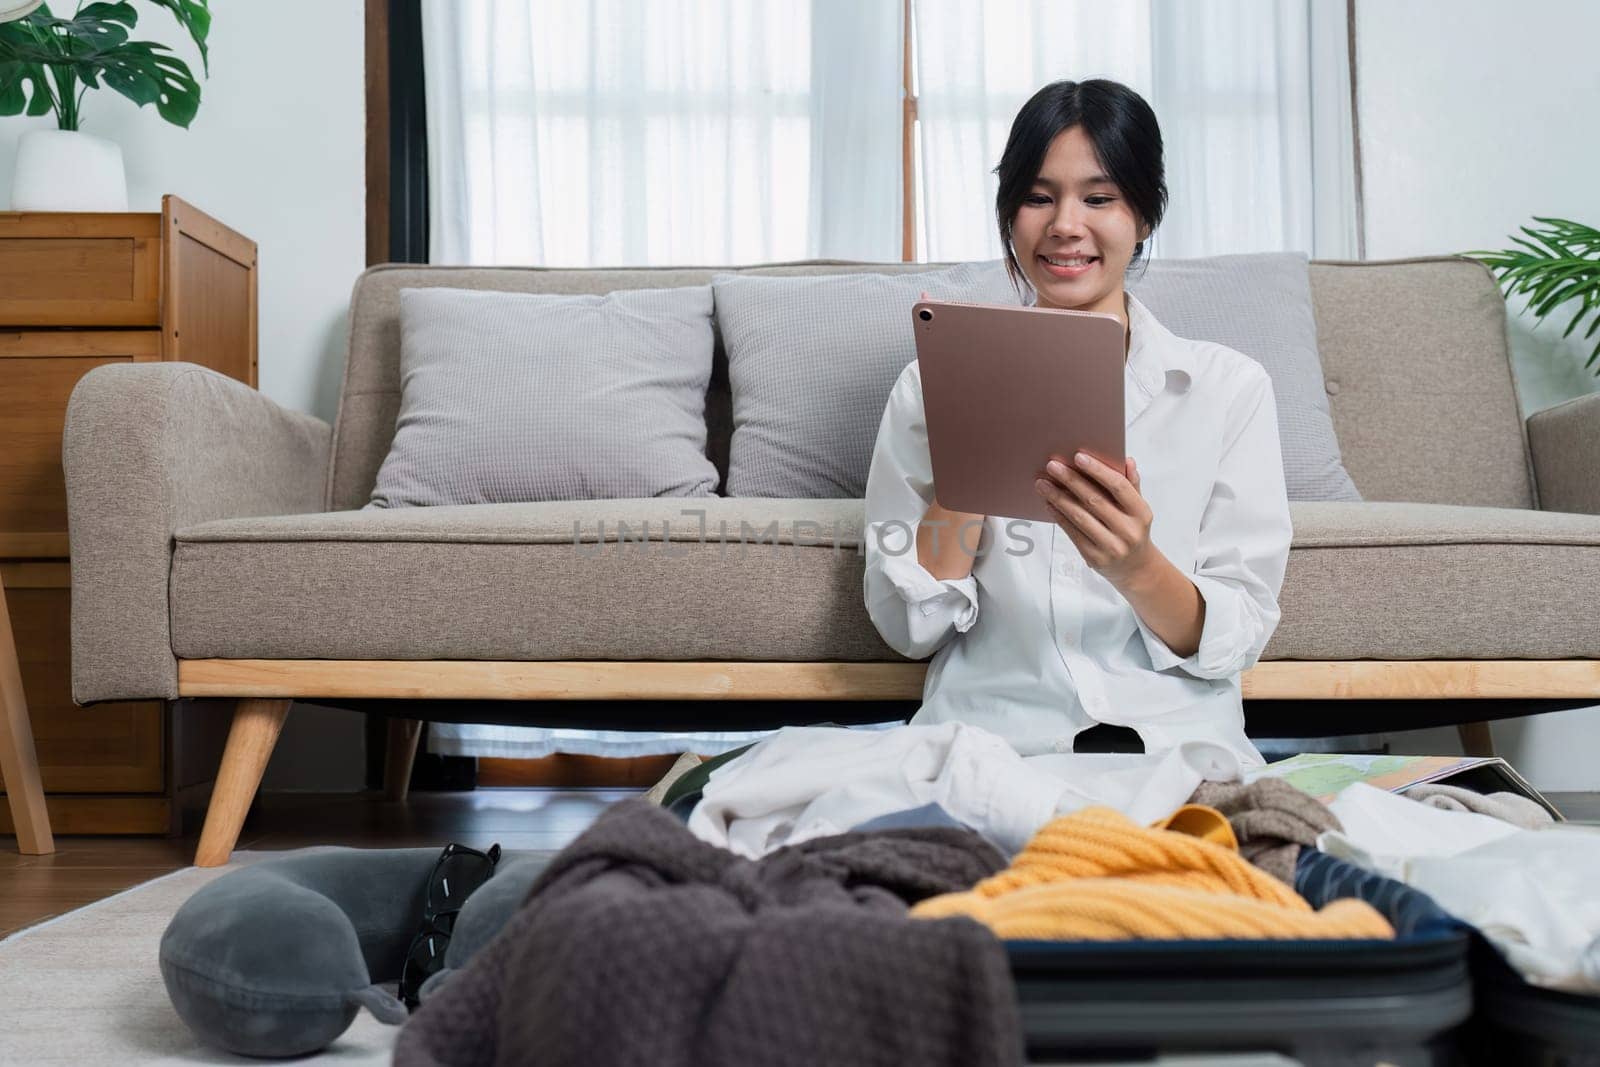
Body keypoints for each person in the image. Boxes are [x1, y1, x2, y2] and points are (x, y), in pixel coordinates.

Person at [864, 78, 1294, 768]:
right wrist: (974, 444)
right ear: (1010, 214)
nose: (1066, 224)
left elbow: (1238, 634)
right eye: (1038, 197)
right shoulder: (928, 387)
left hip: (1173, 746)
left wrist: (1137, 566)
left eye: (1099, 198)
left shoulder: (1227, 389)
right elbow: (909, 625)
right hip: (992, 744)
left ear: (1145, 215)